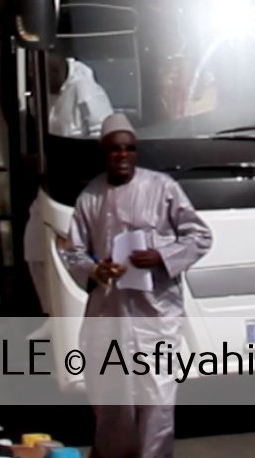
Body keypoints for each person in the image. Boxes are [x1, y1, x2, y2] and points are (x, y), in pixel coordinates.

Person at [58, 113, 213, 458]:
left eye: (129, 149)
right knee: (113, 399)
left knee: (156, 398)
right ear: (104, 152)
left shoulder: (162, 188)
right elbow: (73, 252)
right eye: (115, 149)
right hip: (109, 315)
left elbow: (200, 236)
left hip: (155, 314)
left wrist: (161, 256)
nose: (122, 156)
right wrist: (98, 270)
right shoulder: (91, 196)